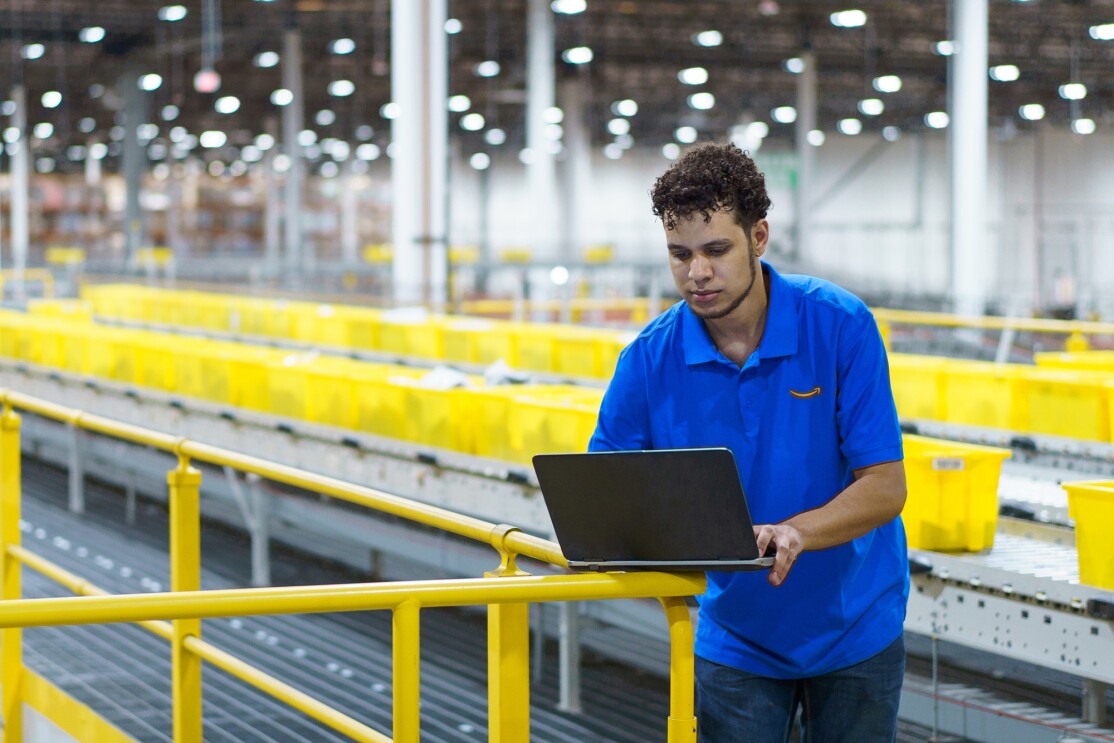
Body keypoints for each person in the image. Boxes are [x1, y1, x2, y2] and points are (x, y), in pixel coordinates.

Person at [588, 142, 909, 743]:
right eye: (679, 255)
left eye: (716, 250)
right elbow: (607, 488)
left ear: (759, 238)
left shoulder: (839, 326)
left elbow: (886, 487)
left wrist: (798, 531)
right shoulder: (649, 359)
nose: (697, 273)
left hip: (855, 624)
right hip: (735, 634)